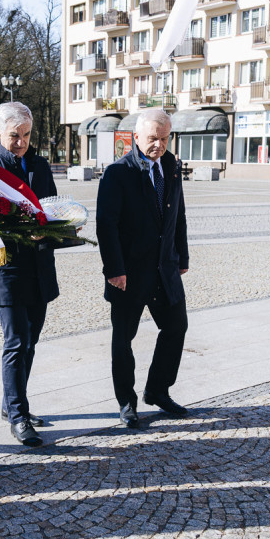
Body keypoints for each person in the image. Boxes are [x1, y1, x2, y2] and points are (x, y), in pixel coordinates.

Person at [95, 108, 190, 429]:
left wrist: (182, 259)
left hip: (165, 269)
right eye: (152, 139)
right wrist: (114, 270)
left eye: (164, 139)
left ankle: (158, 390)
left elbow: (178, 215)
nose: (158, 145)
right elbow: (106, 225)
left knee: (176, 327)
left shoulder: (172, 166)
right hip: (129, 274)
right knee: (123, 340)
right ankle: (126, 403)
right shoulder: (118, 173)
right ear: (136, 137)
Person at [0, 102, 59, 448]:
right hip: (5, 265)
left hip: (38, 268)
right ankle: (18, 415)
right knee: (15, 340)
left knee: (31, 341)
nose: (21, 143)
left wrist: (57, 226)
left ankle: (10, 404)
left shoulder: (39, 164)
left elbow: (52, 207)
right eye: (14, 136)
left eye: (27, 135)